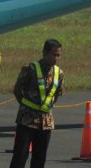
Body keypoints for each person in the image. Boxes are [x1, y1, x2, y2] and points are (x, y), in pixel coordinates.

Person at [10, 39, 64, 168]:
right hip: (27, 120)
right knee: (20, 157)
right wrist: (26, 106)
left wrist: (45, 107)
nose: (56, 58)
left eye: (58, 55)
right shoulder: (30, 69)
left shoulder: (59, 73)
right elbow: (17, 90)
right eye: (53, 54)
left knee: (40, 159)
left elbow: (57, 94)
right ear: (45, 53)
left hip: (46, 122)